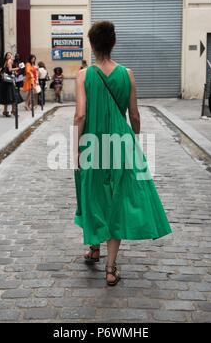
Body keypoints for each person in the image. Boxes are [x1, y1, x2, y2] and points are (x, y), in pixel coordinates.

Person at [73, 21, 172, 286]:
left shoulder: (83, 75)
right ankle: (110, 267)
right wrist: (133, 139)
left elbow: (80, 114)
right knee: (117, 199)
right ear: (113, 43)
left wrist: (75, 146)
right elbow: (135, 115)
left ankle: (94, 246)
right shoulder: (127, 74)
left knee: (92, 194)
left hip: (92, 143)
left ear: (92, 45)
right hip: (121, 143)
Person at [0, 52, 20, 117]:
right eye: (8, 55)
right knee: (13, 96)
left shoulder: (5, 62)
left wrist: (4, 75)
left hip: (4, 81)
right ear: (6, 56)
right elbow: (10, 70)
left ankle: (5, 111)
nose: (10, 56)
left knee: (7, 96)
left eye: (10, 55)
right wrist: (17, 68)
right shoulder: (9, 61)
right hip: (9, 82)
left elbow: (0, 71)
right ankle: (13, 111)